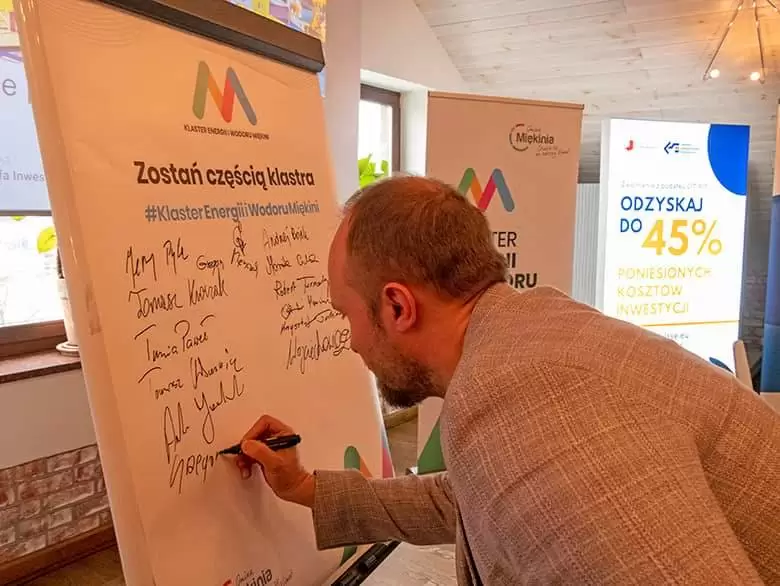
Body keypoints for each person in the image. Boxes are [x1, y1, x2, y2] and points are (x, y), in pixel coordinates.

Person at [235, 176, 780, 584]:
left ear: (398, 306)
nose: (352, 341)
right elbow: (467, 500)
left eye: (347, 315)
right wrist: (305, 488)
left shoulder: (521, 402)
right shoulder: (530, 328)